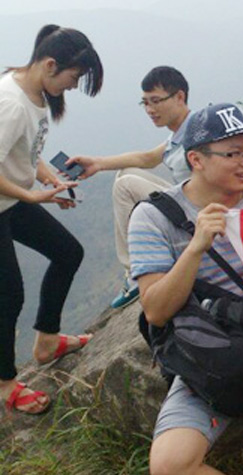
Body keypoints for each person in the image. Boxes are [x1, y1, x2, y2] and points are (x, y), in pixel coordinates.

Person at [128, 102, 243, 475]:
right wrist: (196, 248)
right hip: (218, 353)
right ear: (195, 159)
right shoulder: (154, 217)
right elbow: (156, 311)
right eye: (234, 153)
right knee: (170, 467)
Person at [0, 24, 102, 415]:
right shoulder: (11, 102)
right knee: (9, 295)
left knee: (67, 252)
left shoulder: (33, 90)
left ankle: (46, 341)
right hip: (8, 200)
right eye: (74, 78)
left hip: (11, 199)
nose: (74, 87)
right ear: (50, 64)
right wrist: (32, 195)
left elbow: (22, 148)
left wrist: (47, 177)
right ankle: (6, 383)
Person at [69, 66, 192, 308]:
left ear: (180, 97)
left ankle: (135, 273)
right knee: (126, 172)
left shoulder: (196, 132)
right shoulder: (182, 130)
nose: (149, 110)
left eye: (155, 101)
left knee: (125, 185)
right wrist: (97, 163)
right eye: (144, 103)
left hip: (197, 213)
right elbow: (148, 159)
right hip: (187, 200)